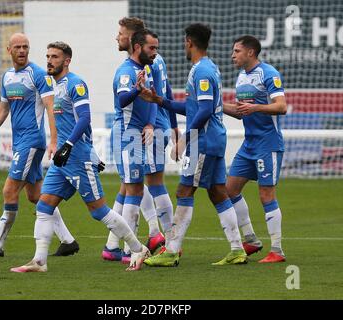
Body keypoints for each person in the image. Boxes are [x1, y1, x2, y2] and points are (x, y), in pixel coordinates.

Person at [10, 41, 150, 272]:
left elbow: (84, 118)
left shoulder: (76, 84)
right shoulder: (52, 85)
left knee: (99, 211)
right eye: (47, 56)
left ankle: (137, 249)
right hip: (63, 160)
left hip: (76, 156)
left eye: (55, 57)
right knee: (44, 207)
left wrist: (71, 146)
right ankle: (39, 261)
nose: (49, 61)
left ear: (66, 61)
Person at [140, 23, 247, 267]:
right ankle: (237, 249)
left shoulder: (203, 72)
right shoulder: (206, 68)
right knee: (217, 191)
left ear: (189, 41)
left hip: (204, 142)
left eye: (184, 41)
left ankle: (172, 251)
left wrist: (184, 140)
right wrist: (159, 100)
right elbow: (192, 108)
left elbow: (205, 111)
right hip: (212, 140)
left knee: (184, 191)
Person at [0, 33, 79, 258]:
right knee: (36, 195)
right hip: (21, 142)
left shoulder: (38, 74)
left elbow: (51, 107)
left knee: (9, 191)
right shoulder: (7, 77)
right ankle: (68, 241)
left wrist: (54, 140)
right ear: (9, 50)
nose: (22, 50)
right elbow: (2, 110)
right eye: (18, 47)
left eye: (26, 47)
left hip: (31, 142)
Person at [102, 18, 178, 262]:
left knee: (148, 183)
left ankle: (159, 236)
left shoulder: (149, 62)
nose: (117, 37)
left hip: (149, 129)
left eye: (121, 33)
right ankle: (114, 245)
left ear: (134, 39)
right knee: (129, 184)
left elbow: (157, 96)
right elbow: (164, 94)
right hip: (150, 125)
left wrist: (156, 125)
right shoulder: (137, 66)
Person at [223, 35, 287, 263]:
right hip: (249, 144)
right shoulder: (241, 77)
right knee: (229, 190)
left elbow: (282, 107)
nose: (233, 55)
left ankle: (277, 251)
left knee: (266, 194)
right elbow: (242, 111)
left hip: (267, 144)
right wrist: (217, 105)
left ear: (250, 52)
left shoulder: (269, 74)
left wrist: (256, 107)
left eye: (237, 51)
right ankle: (251, 240)